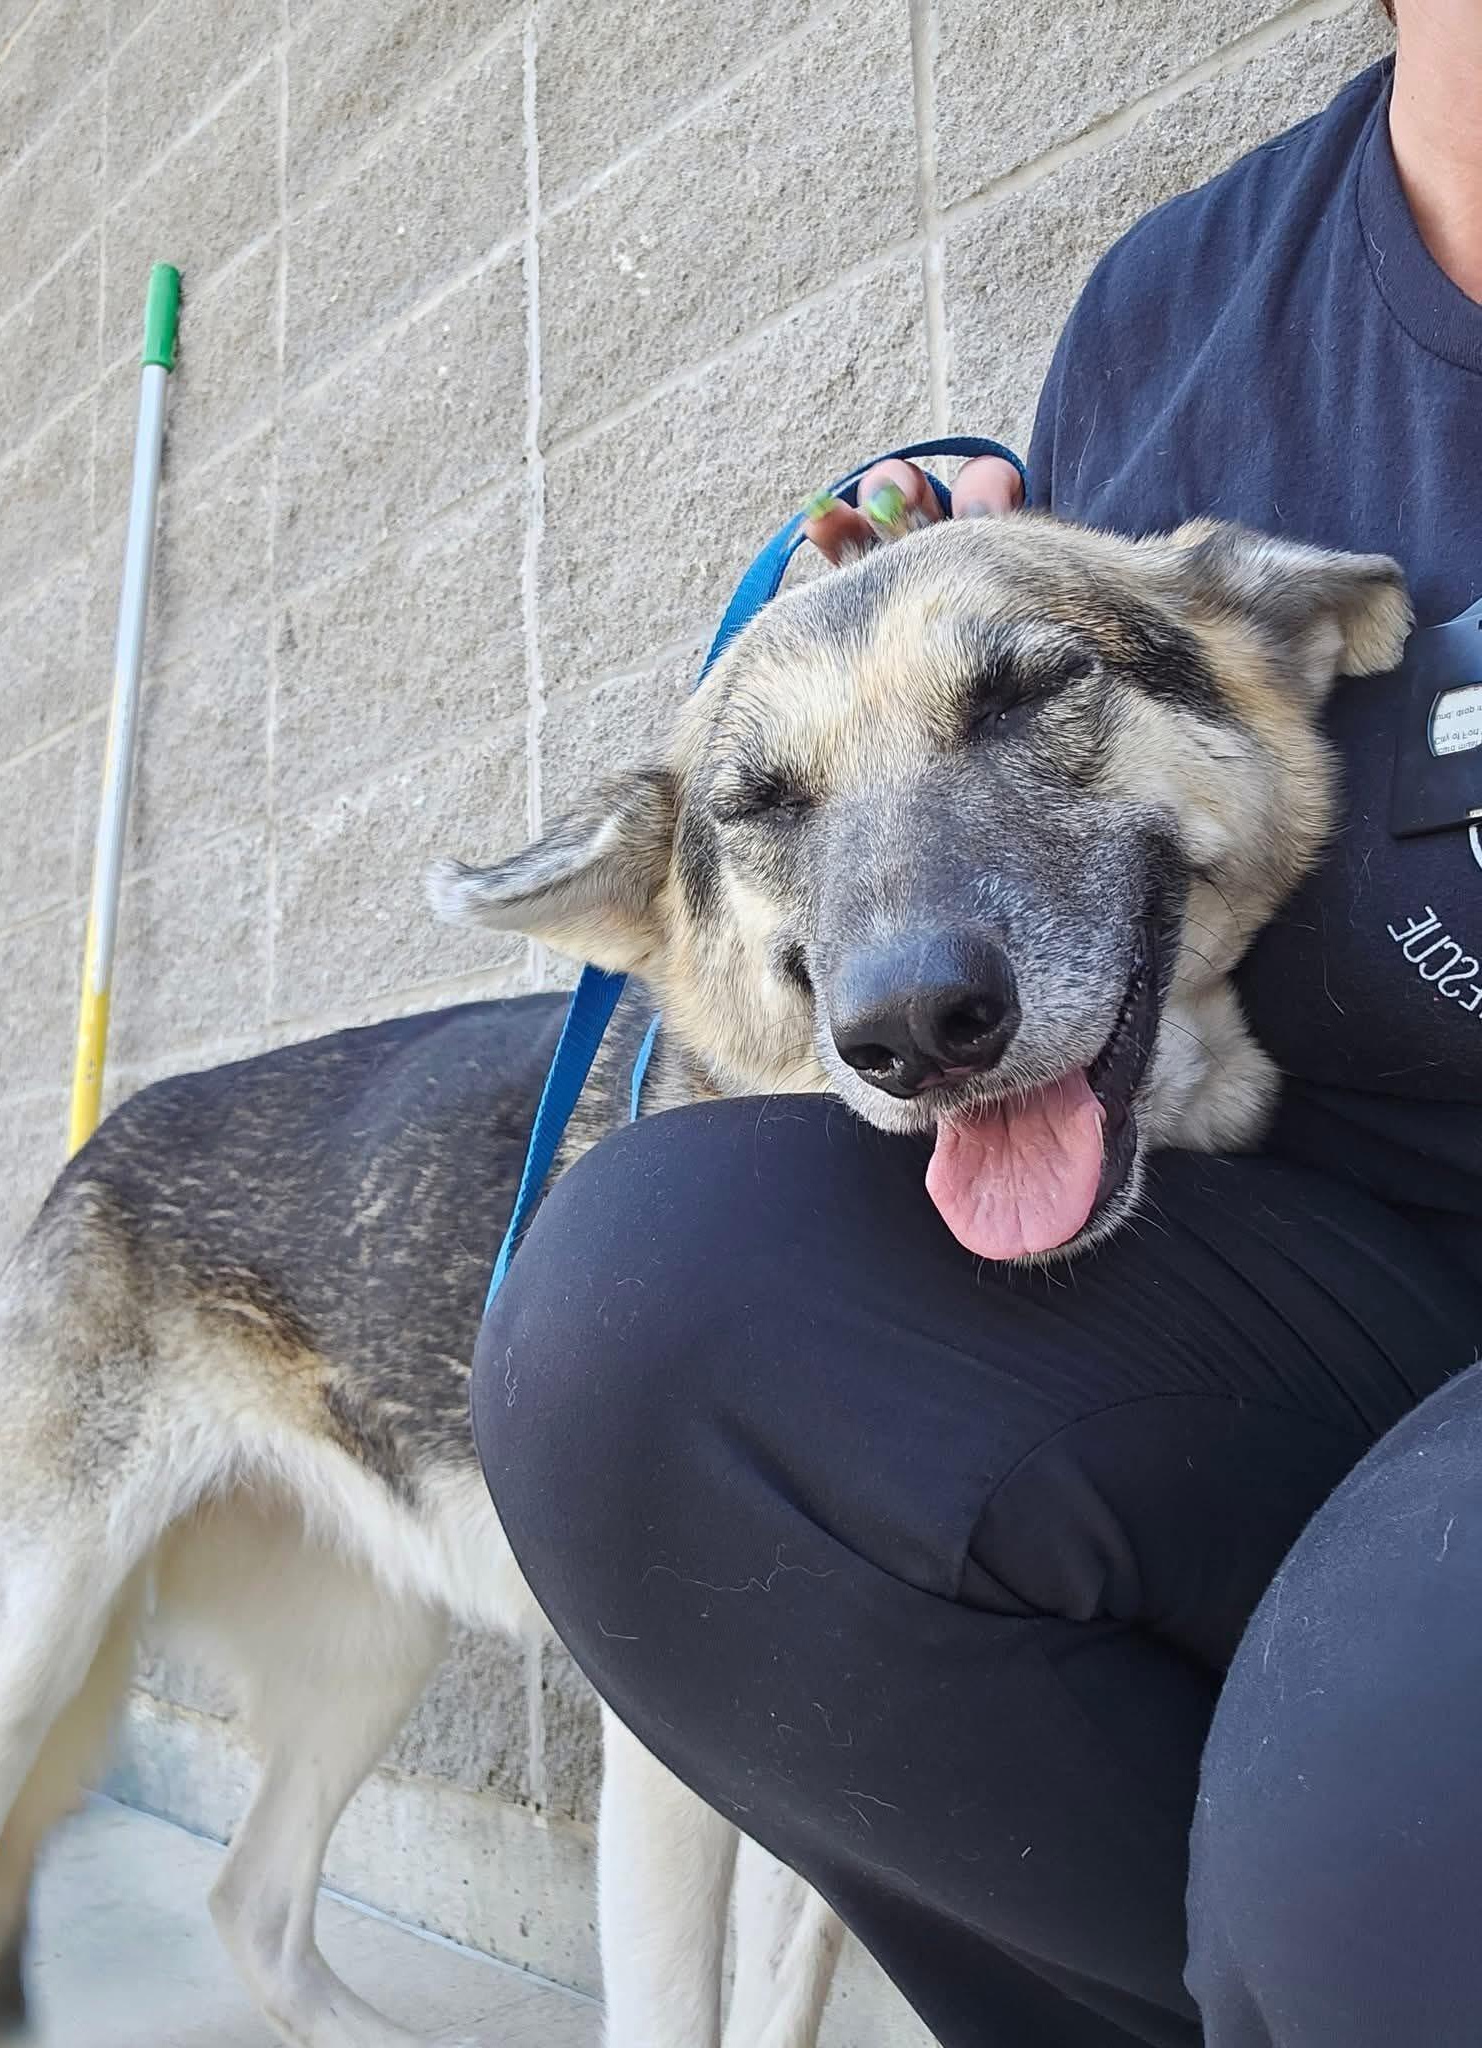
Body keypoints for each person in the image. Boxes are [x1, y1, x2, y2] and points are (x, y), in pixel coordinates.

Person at [472, 2, 1482, 2040]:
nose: (905, 1003)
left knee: (1366, 1828)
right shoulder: (1183, 309)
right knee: (629, 1328)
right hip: (1305, 1294)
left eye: (1029, 701)